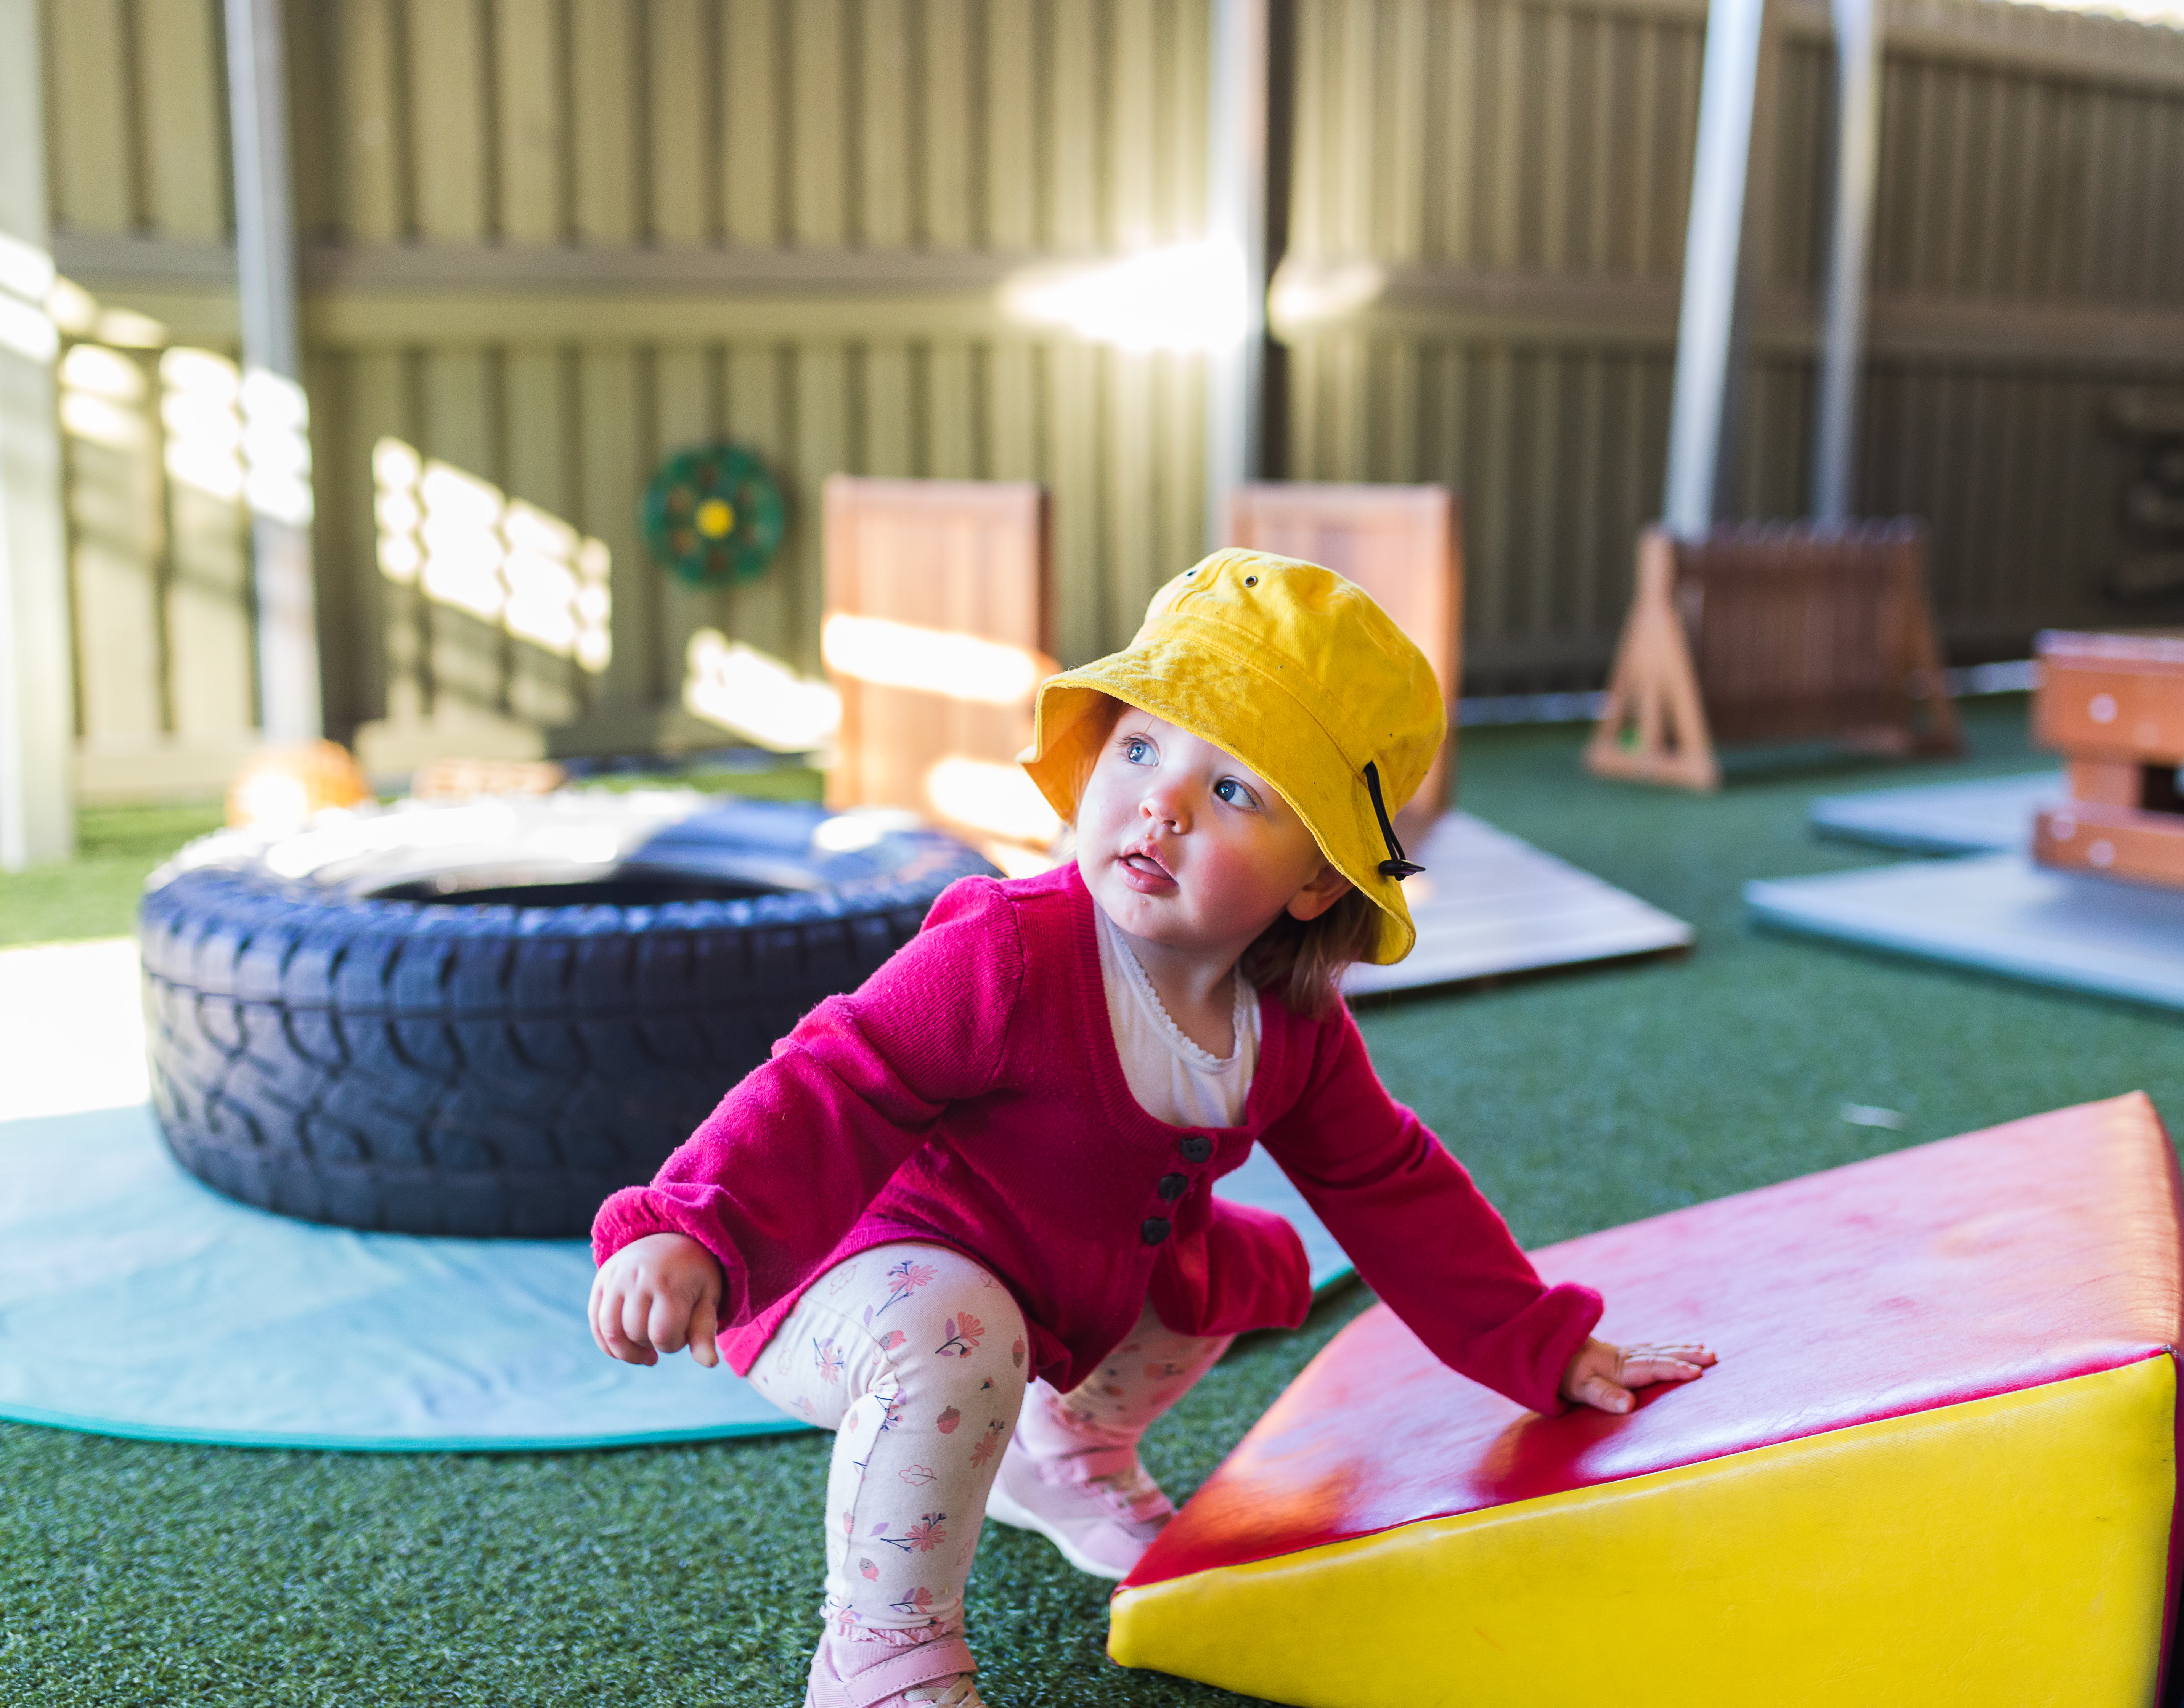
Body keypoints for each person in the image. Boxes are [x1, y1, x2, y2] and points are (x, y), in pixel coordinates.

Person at [586, 551, 1716, 1708]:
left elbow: (1391, 1184)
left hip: (1047, 1295)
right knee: (956, 1334)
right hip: (840, 1278)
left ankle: (1059, 1451)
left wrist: (1544, 1345)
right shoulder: (1010, 951)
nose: (1161, 802)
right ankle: (879, 1651)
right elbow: (834, 1079)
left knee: (1244, 1265)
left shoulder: (1290, 1025)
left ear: (1318, 884)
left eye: (1235, 791)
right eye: (1139, 747)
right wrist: (689, 1227)